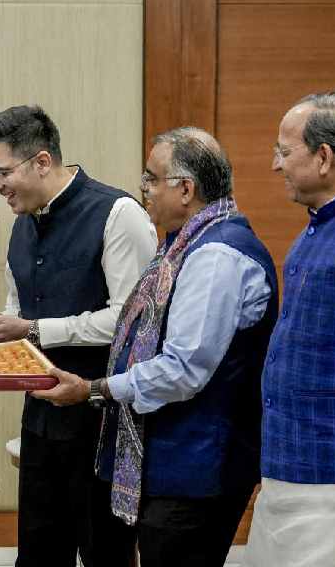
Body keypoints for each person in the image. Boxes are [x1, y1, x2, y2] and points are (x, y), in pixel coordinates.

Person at [34, 127, 278, 567]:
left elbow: (183, 369)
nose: (143, 189)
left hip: (197, 465)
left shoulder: (216, 256)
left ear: (185, 189)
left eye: (150, 179)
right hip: (175, 460)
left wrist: (94, 389)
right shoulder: (185, 245)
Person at [0, 105, 157, 566]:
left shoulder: (118, 213)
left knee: (104, 553)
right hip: (39, 418)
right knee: (37, 552)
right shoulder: (20, 223)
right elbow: (20, 310)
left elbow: (133, 321)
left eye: (1, 172)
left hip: (103, 417)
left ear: (42, 162)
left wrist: (33, 328)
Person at [244, 93, 335, 567]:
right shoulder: (321, 225)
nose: (274, 165)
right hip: (291, 476)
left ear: (324, 157)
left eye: (284, 152)